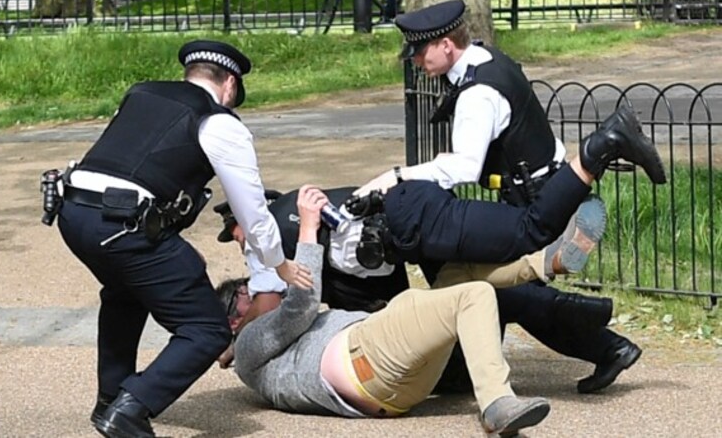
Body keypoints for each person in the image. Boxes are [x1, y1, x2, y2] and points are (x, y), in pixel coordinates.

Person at [215, 108, 664, 392]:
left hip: (411, 224)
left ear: (243, 218)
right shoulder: (297, 221)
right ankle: (598, 337)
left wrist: (233, 341)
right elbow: (371, 289)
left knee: (527, 234)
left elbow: (271, 304)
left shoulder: (268, 230)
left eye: (233, 233)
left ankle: (600, 148)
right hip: (402, 240)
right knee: (476, 295)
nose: (239, 244)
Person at [52, 39, 312, 438]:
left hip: (72, 214)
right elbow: (252, 210)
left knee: (124, 292)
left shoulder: (140, 94)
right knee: (206, 329)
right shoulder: (219, 122)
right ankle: (128, 409)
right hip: (123, 224)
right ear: (229, 84)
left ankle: (110, 398)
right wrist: (280, 264)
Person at [219, 184, 552, 437]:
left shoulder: (265, 354)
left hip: (397, 392)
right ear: (235, 319)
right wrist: (308, 227)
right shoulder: (249, 346)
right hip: (365, 364)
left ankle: (545, 263)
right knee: (472, 296)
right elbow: (302, 305)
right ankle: (496, 403)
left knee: (454, 276)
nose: (260, 290)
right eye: (243, 293)